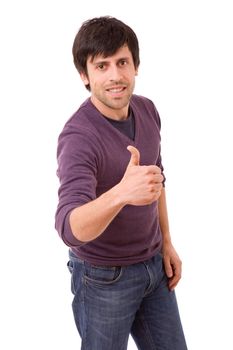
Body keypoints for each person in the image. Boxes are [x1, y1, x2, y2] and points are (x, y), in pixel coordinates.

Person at [55, 16, 187, 350]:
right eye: (102, 66)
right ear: (84, 76)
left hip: (154, 269)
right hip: (103, 279)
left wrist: (166, 242)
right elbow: (69, 227)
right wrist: (121, 194)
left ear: (135, 67)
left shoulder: (147, 110)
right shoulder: (78, 137)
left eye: (122, 62)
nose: (115, 76)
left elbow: (157, 177)